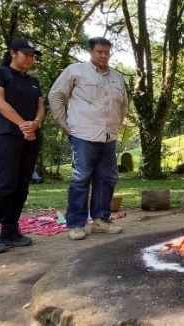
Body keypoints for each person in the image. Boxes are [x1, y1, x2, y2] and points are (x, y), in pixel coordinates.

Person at [48, 37, 129, 240]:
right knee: (81, 178)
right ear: (91, 52)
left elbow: (123, 104)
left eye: (107, 52)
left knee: (107, 178)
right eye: (99, 52)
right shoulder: (75, 71)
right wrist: (65, 124)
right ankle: (76, 224)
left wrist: (117, 125)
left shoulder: (117, 77)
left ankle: (101, 220)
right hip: (83, 135)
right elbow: (56, 96)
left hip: (109, 136)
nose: (103, 55)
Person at [0, 38, 45, 254]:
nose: (30, 58)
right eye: (26, 54)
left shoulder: (33, 81)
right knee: (5, 183)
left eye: (33, 55)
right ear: (13, 53)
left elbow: (40, 106)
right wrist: (23, 125)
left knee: (22, 185)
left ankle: (10, 230)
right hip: (5, 134)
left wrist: (35, 123)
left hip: (30, 137)